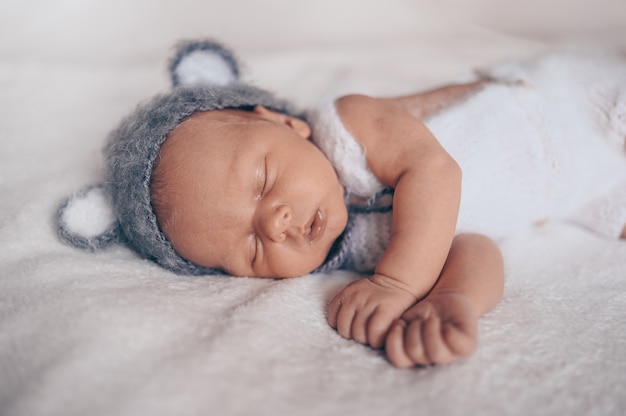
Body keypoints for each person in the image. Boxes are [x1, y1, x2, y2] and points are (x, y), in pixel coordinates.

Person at [57, 40, 626, 368]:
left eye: (261, 181)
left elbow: (436, 173)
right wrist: (452, 299)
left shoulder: (347, 127)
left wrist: (399, 286)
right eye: (252, 249)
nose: (275, 224)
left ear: (284, 123)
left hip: (569, 109)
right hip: (588, 189)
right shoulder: (352, 250)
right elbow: (470, 241)